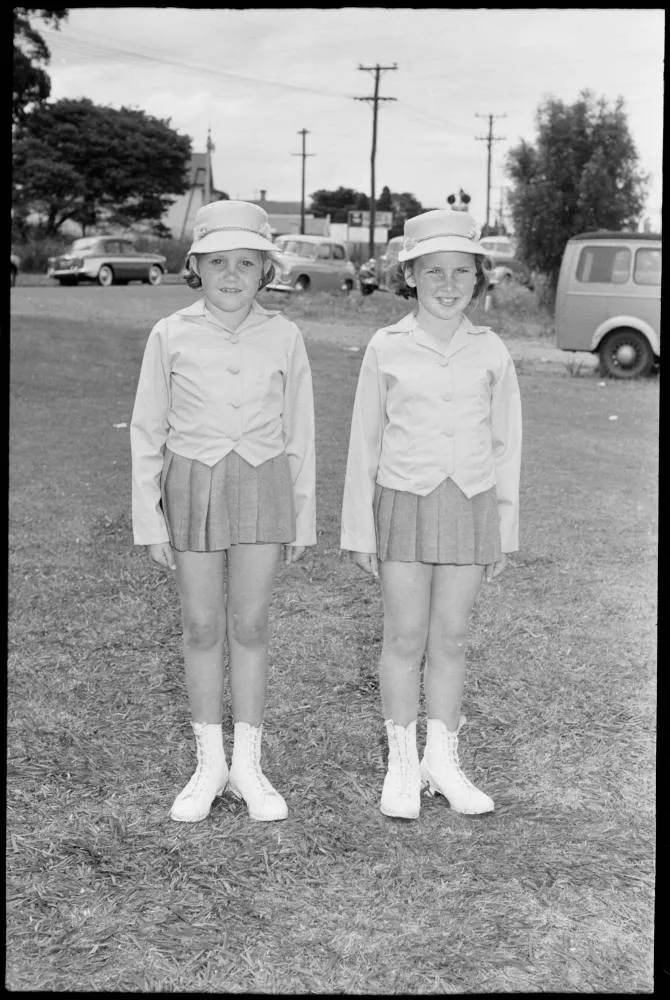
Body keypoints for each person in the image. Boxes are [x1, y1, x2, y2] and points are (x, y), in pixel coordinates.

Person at [131, 200, 316, 824]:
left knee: (251, 625)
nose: (231, 274)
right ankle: (209, 765)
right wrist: (150, 519)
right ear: (196, 267)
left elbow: (300, 432)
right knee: (202, 625)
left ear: (265, 269)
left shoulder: (285, 336)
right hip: (194, 485)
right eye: (217, 262)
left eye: (245, 262)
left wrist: (302, 516)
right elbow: (146, 431)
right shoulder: (170, 333)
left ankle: (248, 766)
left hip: (263, 483)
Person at [340, 209, 521, 820]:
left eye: (461, 271)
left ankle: (442, 763)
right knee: (404, 636)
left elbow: (505, 446)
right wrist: (359, 531)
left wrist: (503, 530)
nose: (448, 284)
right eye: (433, 271)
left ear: (478, 278)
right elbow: (364, 442)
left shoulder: (491, 349)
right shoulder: (386, 346)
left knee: (451, 638)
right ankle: (401, 766)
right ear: (410, 276)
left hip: (470, 505)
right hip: (403, 503)